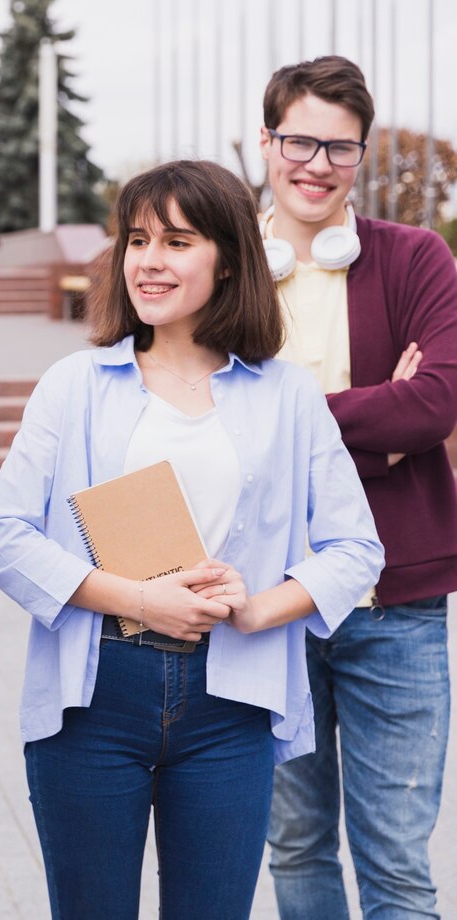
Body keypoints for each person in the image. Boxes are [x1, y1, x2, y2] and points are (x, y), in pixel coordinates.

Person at [0, 159, 383, 920]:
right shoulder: (75, 384)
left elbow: (356, 548)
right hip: (95, 697)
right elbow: (0, 535)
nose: (149, 261)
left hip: (231, 702)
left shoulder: (286, 394)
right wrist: (137, 599)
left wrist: (259, 609)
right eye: (136, 240)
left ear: (227, 259)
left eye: (177, 240)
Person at [258, 56, 457, 920]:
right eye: (299, 140)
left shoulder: (416, 258)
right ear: (265, 143)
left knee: (399, 868)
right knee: (295, 849)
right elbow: (200, 420)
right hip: (268, 604)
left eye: (340, 148)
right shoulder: (218, 266)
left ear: (362, 156)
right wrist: (376, 419)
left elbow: (437, 402)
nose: (317, 164)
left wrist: (288, 418)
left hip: (397, 609)